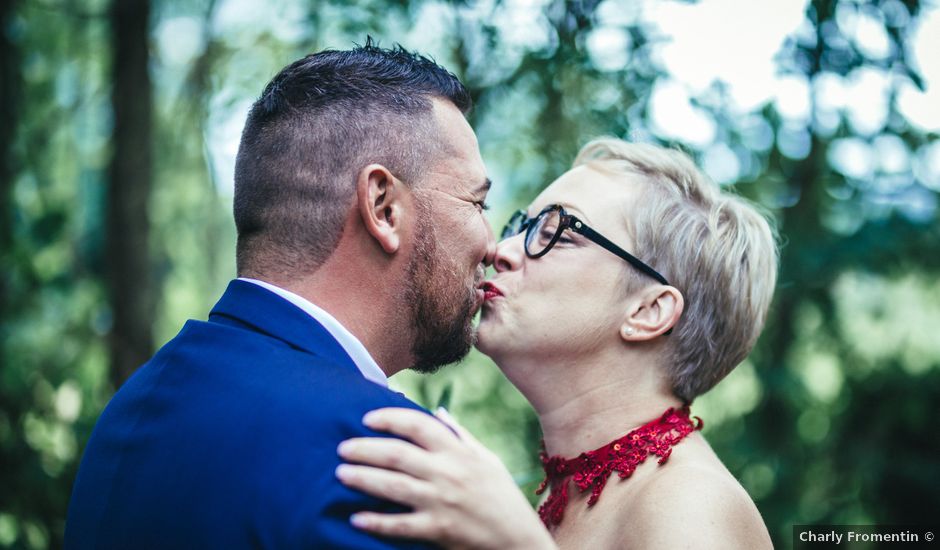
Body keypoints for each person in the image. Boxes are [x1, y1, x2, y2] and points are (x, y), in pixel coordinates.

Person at [65, 41, 499, 549]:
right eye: (476, 202)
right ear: (383, 207)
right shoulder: (387, 458)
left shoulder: (135, 405)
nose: (490, 244)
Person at [335, 138, 779, 549]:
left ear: (648, 311)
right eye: (522, 225)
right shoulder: (565, 497)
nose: (501, 249)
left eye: (556, 233)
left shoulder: (693, 504)